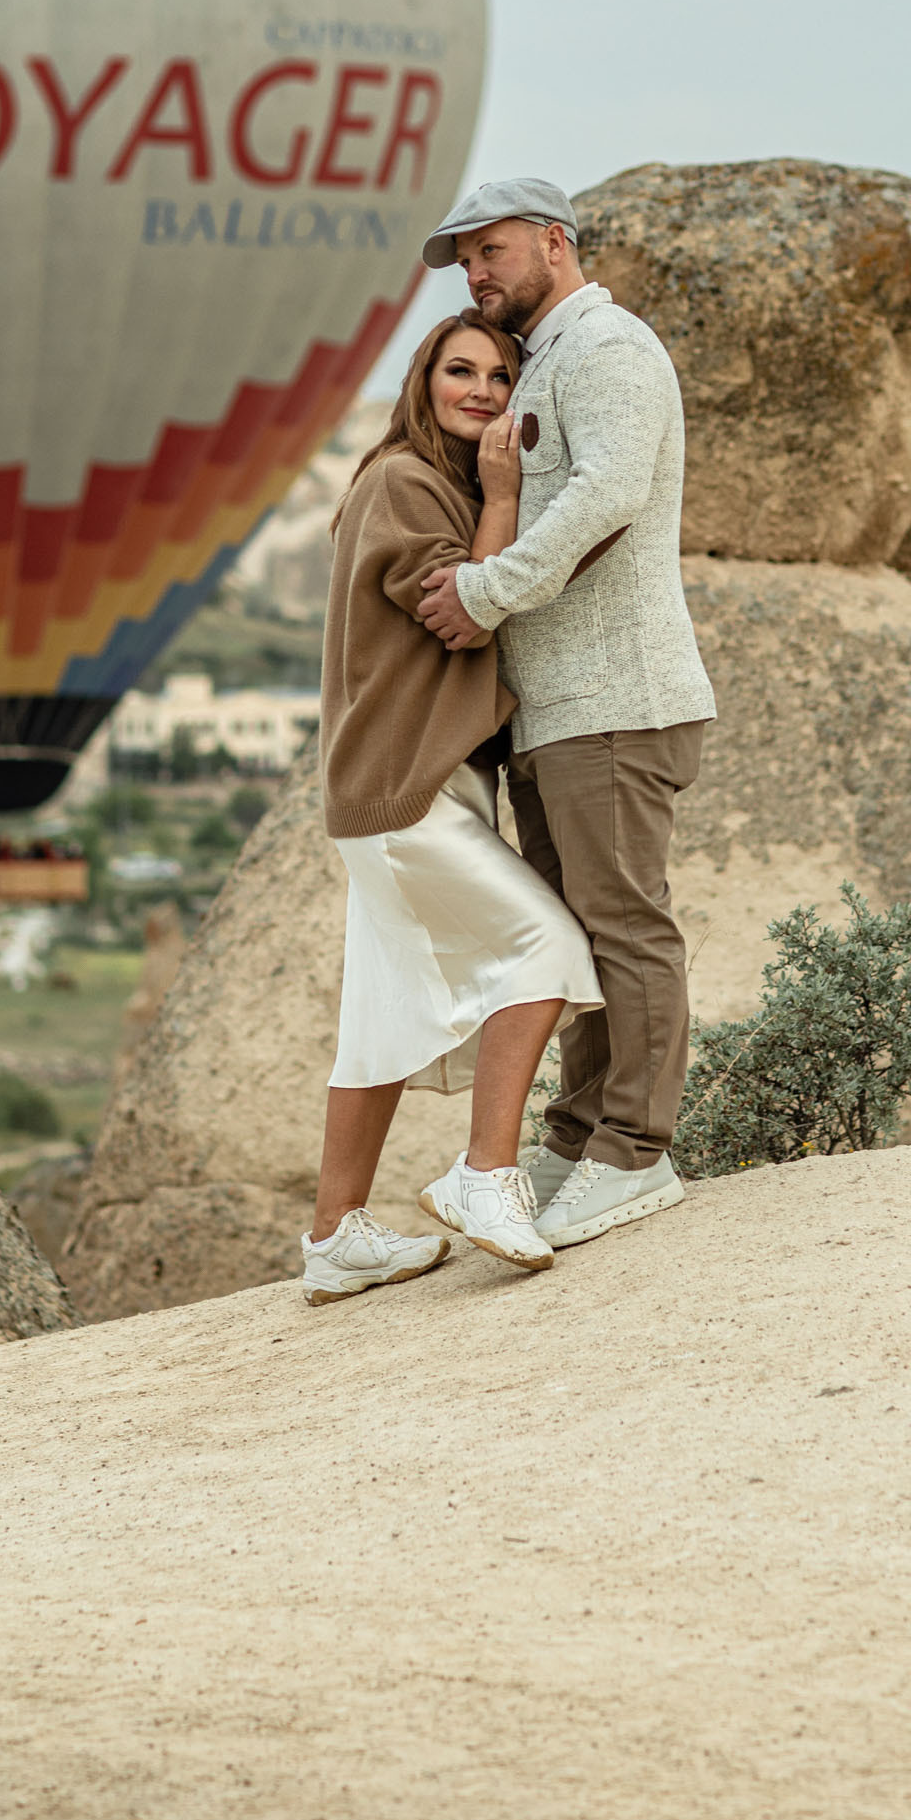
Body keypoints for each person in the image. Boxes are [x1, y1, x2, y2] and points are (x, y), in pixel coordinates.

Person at [415, 177, 715, 1250]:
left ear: (554, 241)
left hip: (615, 699)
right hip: (556, 711)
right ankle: (577, 1134)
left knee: (624, 925)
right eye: (463, 261)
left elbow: (607, 497)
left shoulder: (608, 349)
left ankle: (634, 1151)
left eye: (489, 250)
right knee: (571, 934)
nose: (474, 273)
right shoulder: (541, 361)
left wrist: (486, 592)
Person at [302, 310, 605, 1305]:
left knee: (380, 1015)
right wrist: (508, 495)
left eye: (499, 376)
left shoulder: (431, 480)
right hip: (404, 788)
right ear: (422, 381)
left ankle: (334, 1238)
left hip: (405, 784)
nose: (479, 390)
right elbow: (462, 613)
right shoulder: (402, 480)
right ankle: (485, 1174)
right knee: (546, 946)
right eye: (458, 370)